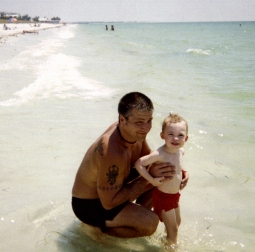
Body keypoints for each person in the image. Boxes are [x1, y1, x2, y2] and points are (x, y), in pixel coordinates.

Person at [71, 92, 189, 238]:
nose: (145, 128)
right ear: (122, 119)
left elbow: (149, 157)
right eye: (139, 122)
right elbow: (109, 203)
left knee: (163, 176)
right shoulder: (111, 151)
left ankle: (133, 216)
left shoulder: (133, 133)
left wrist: (176, 169)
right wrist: (149, 177)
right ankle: (98, 233)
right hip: (91, 205)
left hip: (115, 189)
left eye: (149, 121)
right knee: (150, 222)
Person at [134, 113, 188, 247]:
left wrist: (185, 173)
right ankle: (170, 247)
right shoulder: (160, 154)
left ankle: (165, 242)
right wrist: (151, 180)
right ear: (162, 135)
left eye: (180, 135)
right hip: (163, 197)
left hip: (175, 195)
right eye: (170, 134)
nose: (175, 138)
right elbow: (139, 163)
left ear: (186, 138)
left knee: (177, 223)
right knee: (174, 230)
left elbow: (178, 166)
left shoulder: (180, 151)